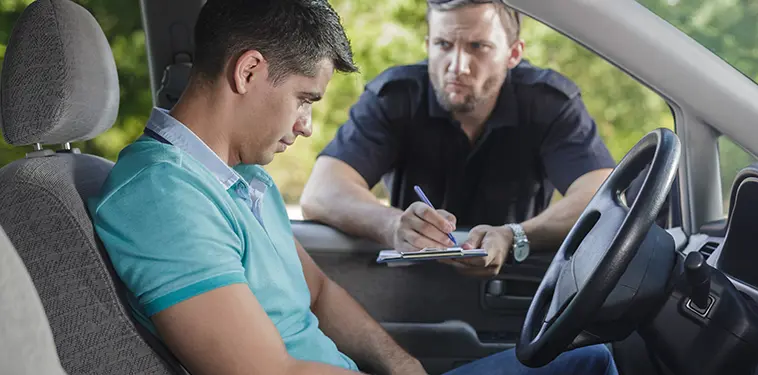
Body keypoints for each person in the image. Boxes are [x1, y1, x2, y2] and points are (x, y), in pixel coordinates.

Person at [90, 0, 617, 374]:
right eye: (304, 99)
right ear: (249, 71)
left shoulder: (243, 180)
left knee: (593, 359)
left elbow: (318, 292)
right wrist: (393, 224)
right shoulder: (164, 197)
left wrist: (401, 363)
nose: (305, 126)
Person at [300, 0, 616, 278]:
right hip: (413, 288)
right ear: (427, 45)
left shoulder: (549, 103)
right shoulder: (395, 98)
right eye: (443, 45)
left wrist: (515, 235)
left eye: (478, 46)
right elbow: (321, 192)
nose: (457, 66)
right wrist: (391, 224)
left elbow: (601, 197)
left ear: (514, 53)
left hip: (514, 289)